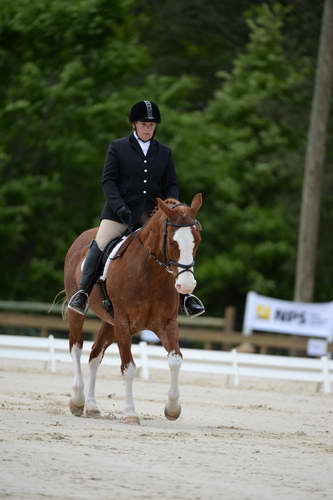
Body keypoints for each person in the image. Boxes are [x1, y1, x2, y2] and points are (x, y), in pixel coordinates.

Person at [68, 100, 205, 317]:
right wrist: (120, 207)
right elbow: (109, 181)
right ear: (134, 124)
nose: (148, 128)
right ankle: (83, 293)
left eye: (151, 125)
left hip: (152, 216)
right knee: (100, 244)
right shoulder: (118, 147)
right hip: (119, 214)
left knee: (175, 246)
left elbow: (171, 184)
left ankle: (185, 297)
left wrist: (172, 209)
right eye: (144, 124)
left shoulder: (164, 152)